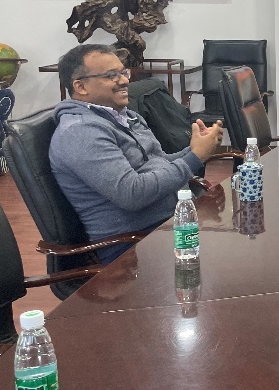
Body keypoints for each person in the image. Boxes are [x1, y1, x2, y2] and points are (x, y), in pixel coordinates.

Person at [49, 45, 224, 295]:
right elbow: (133, 193)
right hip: (132, 251)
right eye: (111, 76)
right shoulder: (80, 132)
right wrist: (195, 157)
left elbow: (159, 162)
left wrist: (195, 148)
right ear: (81, 86)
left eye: (124, 72)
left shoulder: (126, 116)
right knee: (228, 274)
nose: (123, 81)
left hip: (168, 227)